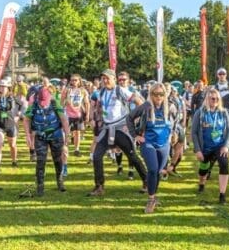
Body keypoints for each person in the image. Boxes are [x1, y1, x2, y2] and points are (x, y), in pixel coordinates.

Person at [89, 69, 146, 197]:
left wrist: (133, 120)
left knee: (132, 157)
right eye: (103, 78)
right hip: (107, 128)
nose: (105, 81)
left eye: (107, 78)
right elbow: (100, 107)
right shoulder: (102, 92)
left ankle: (147, 182)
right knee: (97, 156)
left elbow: (140, 103)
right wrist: (96, 119)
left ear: (113, 79)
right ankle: (99, 186)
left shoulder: (121, 90)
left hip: (121, 128)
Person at [128, 83, 173, 213]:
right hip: (148, 143)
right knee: (152, 169)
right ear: (151, 94)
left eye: (161, 94)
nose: (158, 97)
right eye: (155, 94)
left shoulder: (169, 106)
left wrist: (173, 134)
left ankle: (154, 194)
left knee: (158, 171)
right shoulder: (146, 107)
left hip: (164, 144)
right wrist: (135, 135)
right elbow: (129, 118)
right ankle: (151, 199)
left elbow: (175, 121)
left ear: (165, 95)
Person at [190, 87, 229, 204]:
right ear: (207, 99)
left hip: (220, 146)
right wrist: (198, 150)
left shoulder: (223, 112)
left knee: (224, 164)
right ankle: (201, 183)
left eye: (217, 98)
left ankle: (222, 194)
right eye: (212, 98)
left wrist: (226, 145)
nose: (214, 100)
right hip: (205, 147)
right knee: (204, 169)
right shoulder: (200, 112)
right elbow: (193, 132)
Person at [26, 84, 69, 195]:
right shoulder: (33, 105)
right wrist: (27, 135)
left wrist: (67, 137)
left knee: (58, 160)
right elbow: (26, 119)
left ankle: (60, 182)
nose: (43, 104)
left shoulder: (55, 104)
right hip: (40, 137)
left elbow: (64, 120)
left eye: (45, 101)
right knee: (40, 161)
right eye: (41, 101)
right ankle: (40, 186)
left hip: (56, 136)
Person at [0, 79, 20, 174]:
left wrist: (18, 115)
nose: (2, 88)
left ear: (8, 88)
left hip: (10, 124)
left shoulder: (12, 98)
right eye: (1, 86)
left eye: (4, 87)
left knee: (12, 145)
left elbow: (22, 104)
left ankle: (14, 160)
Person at [65, 74, 90, 157]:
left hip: (78, 115)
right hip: (68, 114)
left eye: (76, 80)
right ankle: (65, 149)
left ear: (79, 81)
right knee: (66, 133)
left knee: (77, 133)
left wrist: (87, 114)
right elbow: (61, 102)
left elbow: (87, 103)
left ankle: (77, 149)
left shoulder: (83, 91)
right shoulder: (67, 90)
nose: (74, 82)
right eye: (72, 80)